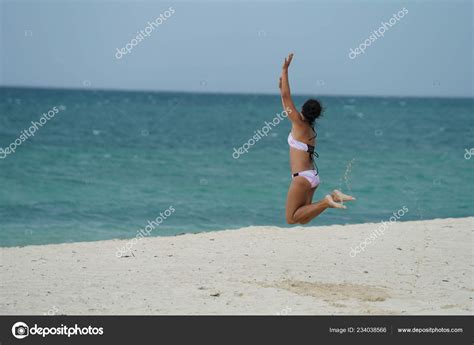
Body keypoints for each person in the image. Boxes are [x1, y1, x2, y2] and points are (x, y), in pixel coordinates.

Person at [279, 53, 355, 224]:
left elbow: (286, 97)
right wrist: (280, 87)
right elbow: (284, 100)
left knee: (291, 218)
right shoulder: (309, 129)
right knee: (303, 218)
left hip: (302, 179)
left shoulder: (299, 124)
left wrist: (285, 70)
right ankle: (333, 197)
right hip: (312, 176)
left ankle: (326, 201)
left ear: (302, 110)